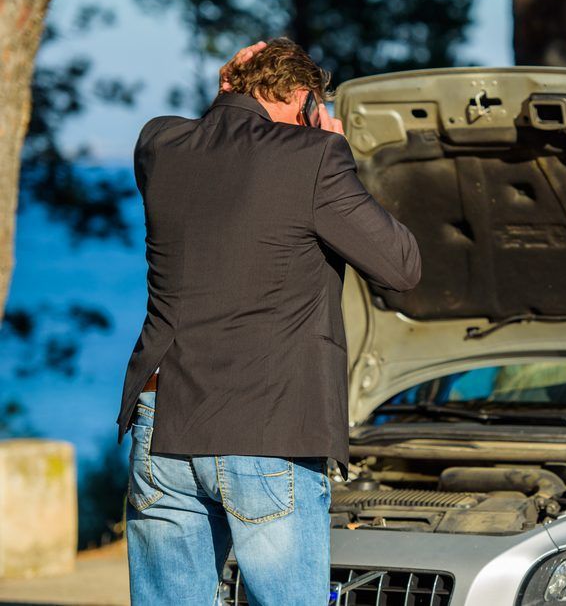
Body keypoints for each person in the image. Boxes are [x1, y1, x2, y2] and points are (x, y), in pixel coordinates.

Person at [116, 38, 421, 605]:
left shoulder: (160, 143)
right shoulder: (316, 158)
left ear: (229, 83)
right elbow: (401, 267)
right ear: (305, 100)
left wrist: (230, 85)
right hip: (265, 425)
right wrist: (334, 152)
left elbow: (220, 139)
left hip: (163, 420)